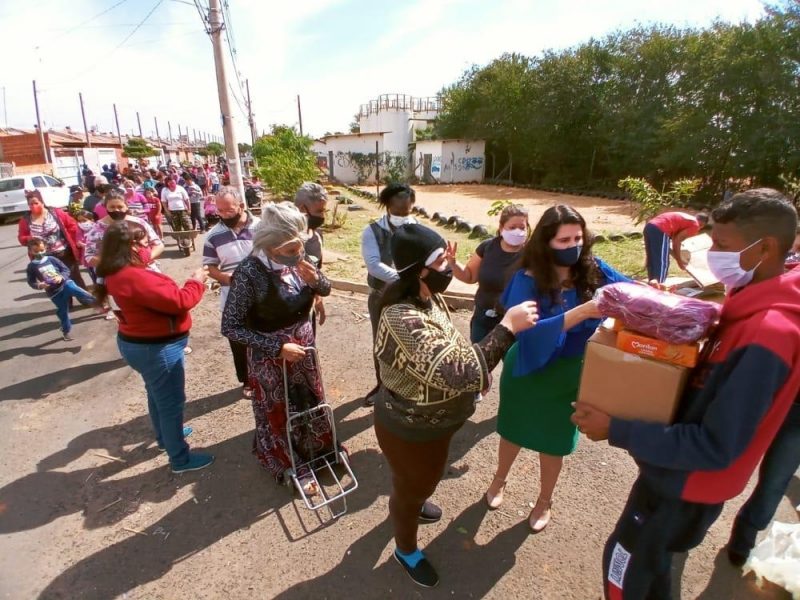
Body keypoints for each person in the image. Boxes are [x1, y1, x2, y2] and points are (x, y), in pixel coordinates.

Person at [573, 189, 800, 600]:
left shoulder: (768, 334)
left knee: (624, 566)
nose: (711, 254)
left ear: (764, 248)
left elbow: (716, 445)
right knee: (658, 565)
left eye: (723, 246)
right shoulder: (753, 300)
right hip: (679, 475)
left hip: (685, 483)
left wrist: (617, 428)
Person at [372, 223, 538, 587]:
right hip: (410, 426)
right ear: (417, 269)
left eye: (447, 257)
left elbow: (454, 349)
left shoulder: (428, 295)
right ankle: (405, 548)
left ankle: (413, 501)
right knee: (413, 483)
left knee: (422, 479)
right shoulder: (401, 315)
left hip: (435, 423)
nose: (448, 266)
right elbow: (460, 371)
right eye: (439, 260)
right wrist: (507, 328)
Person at [484, 205, 629, 533]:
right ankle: (499, 480)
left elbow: (630, 292)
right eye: (563, 240)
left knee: (555, 442)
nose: (573, 246)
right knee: (513, 432)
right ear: (546, 242)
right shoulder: (527, 277)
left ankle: (545, 499)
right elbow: (530, 330)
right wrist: (583, 312)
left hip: (570, 372)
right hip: (528, 367)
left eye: (578, 238)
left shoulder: (593, 268)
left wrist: (655, 292)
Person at [221, 202, 332, 492]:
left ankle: (318, 451)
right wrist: (276, 346)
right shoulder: (249, 274)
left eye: (299, 247)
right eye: (291, 251)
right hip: (270, 356)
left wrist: (316, 283)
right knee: (280, 409)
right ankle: (290, 463)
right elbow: (230, 327)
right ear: (271, 248)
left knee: (310, 401)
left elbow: (325, 288)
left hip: (304, 348)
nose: (298, 255)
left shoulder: (298, 259)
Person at [95, 220, 214, 473]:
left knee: (156, 394)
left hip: (136, 344)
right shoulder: (134, 277)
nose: (148, 246)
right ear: (131, 247)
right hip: (156, 349)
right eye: (144, 243)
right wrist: (197, 280)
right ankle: (180, 459)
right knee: (171, 403)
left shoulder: (113, 272)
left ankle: (164, 438)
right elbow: (180, 301)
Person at [360, 183, 418, 405]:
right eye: (398, 211)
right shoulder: (372, 231)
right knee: (382, 343)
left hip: (410, 298)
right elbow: (374, 265)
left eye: (408, 210)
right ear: (387, 206)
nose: (403, 215)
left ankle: (408, 386)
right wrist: (406, 279)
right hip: (381, 297)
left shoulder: (417, 228)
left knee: (410, 342)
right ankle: (383, 387)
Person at [203, 188, 260, 399]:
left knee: (265, 335)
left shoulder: (262, 227)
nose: (224, 214)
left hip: (263, 297)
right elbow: (209, 267)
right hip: (233, 298)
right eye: (220, 210)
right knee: (239, 342)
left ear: (241, 206)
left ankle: (269, 376)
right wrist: (229, 279)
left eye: (229, 209)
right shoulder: (213, 235)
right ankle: (247, 381)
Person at [447, 204, 529, 342]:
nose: (518, 232)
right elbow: (469, 276)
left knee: (512, 362)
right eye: (512, 227)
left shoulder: (532, 255)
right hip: (483, 318)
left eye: (522, 228)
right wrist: (453, 264)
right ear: (502, 227)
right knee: (480, 361)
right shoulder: (487, 247)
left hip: (516, 323)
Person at [26, 237, 96, 341]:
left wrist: (61, 277)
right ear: (30, 251)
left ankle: (100, 302)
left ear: (45, 248)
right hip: (54, 292)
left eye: (41, 250)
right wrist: (40, 285)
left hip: (65, 283)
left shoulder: (52, 259)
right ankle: (66, 331)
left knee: (75, 289)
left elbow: (65, 269)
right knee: (63, 311)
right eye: (36, 251)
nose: (39, 253)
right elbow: (31, 281)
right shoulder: (31, 266)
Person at [18, 190, 86, 289]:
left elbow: (72, 226)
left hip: (64, 252)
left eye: (36, 203)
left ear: (42, 202)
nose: (33, 206)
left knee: (75, 278)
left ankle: (86, 300)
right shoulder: (25, 220)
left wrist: (75, 241)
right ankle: (65, 303)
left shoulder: (55, 213)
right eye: (30, 204)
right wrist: (30, 238)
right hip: (44, 257)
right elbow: (21, 238)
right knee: (55, 282)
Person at [83, 191, 164, 271]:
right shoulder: (97, 228)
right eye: (112, 207)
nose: (116, 210)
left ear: (126, 206)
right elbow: (89, 256)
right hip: (115, 274)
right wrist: (115, 264)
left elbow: (158, 244)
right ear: (106, 207)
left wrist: (144, 258)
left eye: (120, 207)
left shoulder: (139, 223)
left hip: (145, 269)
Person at [294, 182, 329, 327]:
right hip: (286, 310)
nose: (322, 216)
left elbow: (317, 270)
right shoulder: (286, 238)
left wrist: (318, 296)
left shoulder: (317, 235)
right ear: (302, 209)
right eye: (319, 211)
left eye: (324, 211)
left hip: (307, 305)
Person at [643, 211, 709, 283]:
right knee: (662, 262)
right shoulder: (695, 225)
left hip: (649, 226)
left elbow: (675, 239)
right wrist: (679, 262)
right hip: (661, 229)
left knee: (653, 259)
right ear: (702, 225)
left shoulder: (686, 218)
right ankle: (659, 284)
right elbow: (677, 242)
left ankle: (652, 283)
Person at [161, 177, 193, 251]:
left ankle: (188, 240)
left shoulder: (180, 188)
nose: (172, 184)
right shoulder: (165, 190)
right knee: (177, 228)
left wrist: (189, 209)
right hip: (172, 211)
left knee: (187, 226)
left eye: (173, 182)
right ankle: (181, 241)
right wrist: (167, 211)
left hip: (182, 210)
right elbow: (163, 202)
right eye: (170, 182)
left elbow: (187, 199)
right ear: (167, 183)